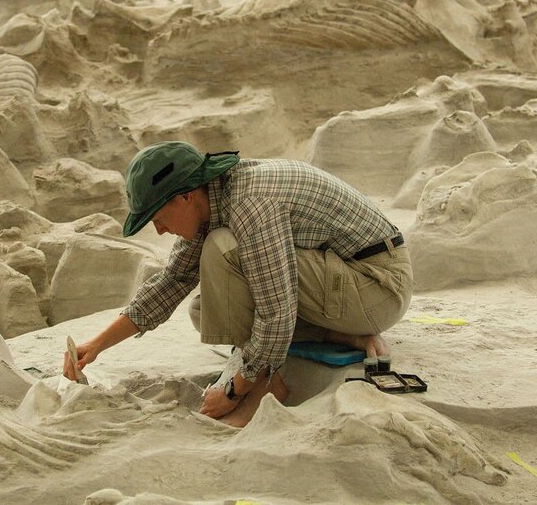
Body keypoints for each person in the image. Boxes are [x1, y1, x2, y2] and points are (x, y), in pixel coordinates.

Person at [62, 141, 413, 427]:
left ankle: (266, 384)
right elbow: (173, 281)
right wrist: (96, 345)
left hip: (377, 286)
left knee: (224, 250)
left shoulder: (250, 204)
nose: (160, 230)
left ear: (185, 196)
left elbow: (276, 312)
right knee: (208, 310)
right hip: (345, 285)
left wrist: (235, 388)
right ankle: (343, 335)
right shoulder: (212, 198)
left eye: (158, 218)